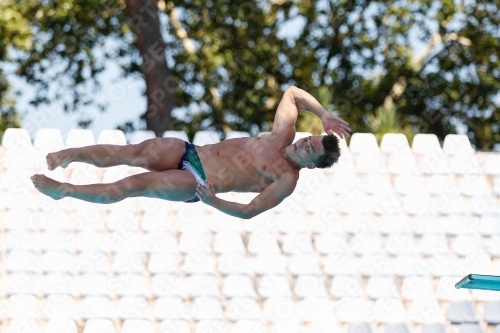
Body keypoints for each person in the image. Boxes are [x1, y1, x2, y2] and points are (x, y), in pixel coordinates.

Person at [30, 86, 351, 219]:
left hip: (197, 180)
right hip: (193, 150)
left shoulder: (286, 180)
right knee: (134, 151)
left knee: (132, 185)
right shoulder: (284, 133)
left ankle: (66, 191)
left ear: (310, 164)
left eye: (309, 149)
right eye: (309, 139)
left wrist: (214, 202)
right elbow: (293, 93)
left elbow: (251, 210)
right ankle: (70, 153)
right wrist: (323, 114)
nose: (303, 144)